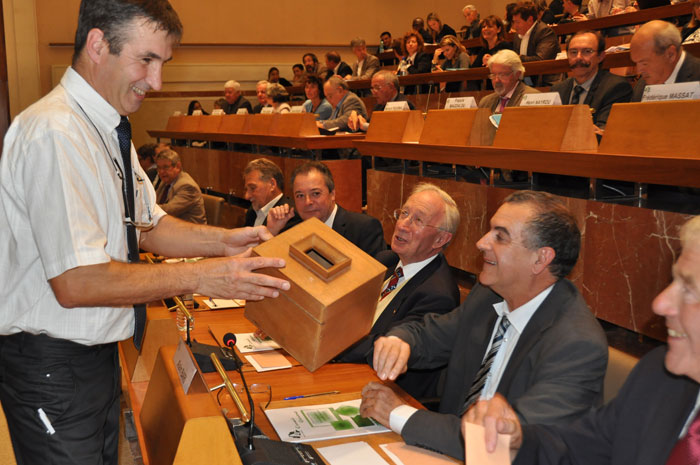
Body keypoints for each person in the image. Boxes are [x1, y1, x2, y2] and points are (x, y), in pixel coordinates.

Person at [0, 1, 290, 464]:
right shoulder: (55, 132)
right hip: (52, 361)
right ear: (98, 45)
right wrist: (204, 276)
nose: (156, 82)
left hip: (93, 355)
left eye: (163, 64)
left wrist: (227, 242)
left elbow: (147, 226)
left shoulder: (107, 127)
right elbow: (77, 281)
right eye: (146, 60)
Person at [359, 190, 607, 460]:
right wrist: (399, 341)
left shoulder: (576, 345)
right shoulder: (488, 296)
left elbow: (500, 443)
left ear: (540, 259)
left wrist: (398, 413)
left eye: (500, 237)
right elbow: (429, 334)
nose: (481, 243)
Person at [468, 215, 700, 465]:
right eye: (673, 281)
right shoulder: (659, 375)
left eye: (689, 289)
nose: (660, 303)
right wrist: (514, 440)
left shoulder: (575, 337)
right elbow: (575, 451)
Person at [337, 183, 460, 400]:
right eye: (404, 213)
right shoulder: (386, 260)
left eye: (418, 220)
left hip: (387, 391)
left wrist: (332, 342)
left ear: (440, 239)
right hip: (348, 369)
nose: (402, 225)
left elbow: (385, 348)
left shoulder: (437, 295)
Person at [267, 161, 386, 257]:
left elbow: (375, 277)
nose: (308, 202)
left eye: (316, 193)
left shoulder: (363, 228)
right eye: (300, 196)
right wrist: (271, 232)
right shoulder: (290, 229)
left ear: (332, 194)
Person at [552, 30, 632, 131]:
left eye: (587, 51)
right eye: (573, 52)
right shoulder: (558, 90)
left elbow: (604, 131)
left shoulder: (616, 88)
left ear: (601, 56)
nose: (578, 57)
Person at [630, 20, 700, 101]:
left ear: (670, 54)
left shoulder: (697, 75)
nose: (639, 71)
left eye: (644, 63)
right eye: (637, 63)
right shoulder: (642, 86)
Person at [511, 1, 560, 86]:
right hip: (523, 84)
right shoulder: (517, 36)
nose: (514, 26)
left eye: (518, 22)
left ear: (530, 20)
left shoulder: (545, 32)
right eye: (513, 22)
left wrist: (517, 58)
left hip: (544, 82)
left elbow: (540, 60)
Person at [348, 71, 415, 132]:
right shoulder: (379, 106)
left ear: (391, 87)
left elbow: (392, 130)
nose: (373, 92)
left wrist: (365, 125)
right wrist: (357, 123)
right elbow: (369, 125)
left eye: (377, 88)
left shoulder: (404, 104)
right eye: (372, 88)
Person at [243, 158, 300, 230]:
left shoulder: (289, 215)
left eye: (252, 188)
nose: (247, 196)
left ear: (272, 184)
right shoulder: (252, 210)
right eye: (246, 189)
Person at [478, 49, 540, 113]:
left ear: (517, 74)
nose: (496, 80)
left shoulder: (533, 98)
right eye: (493, 75)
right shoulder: (485, 102)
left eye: (502, 75)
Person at [155, 149, 207, 224]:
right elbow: (155, 201)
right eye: (159, 168)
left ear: (178, 166)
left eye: (166, 167)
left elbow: (169, 211)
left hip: (190, 229)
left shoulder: (187, 186)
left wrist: (146, 209)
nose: (161, 171)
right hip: (171, 226)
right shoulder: (166, 181)